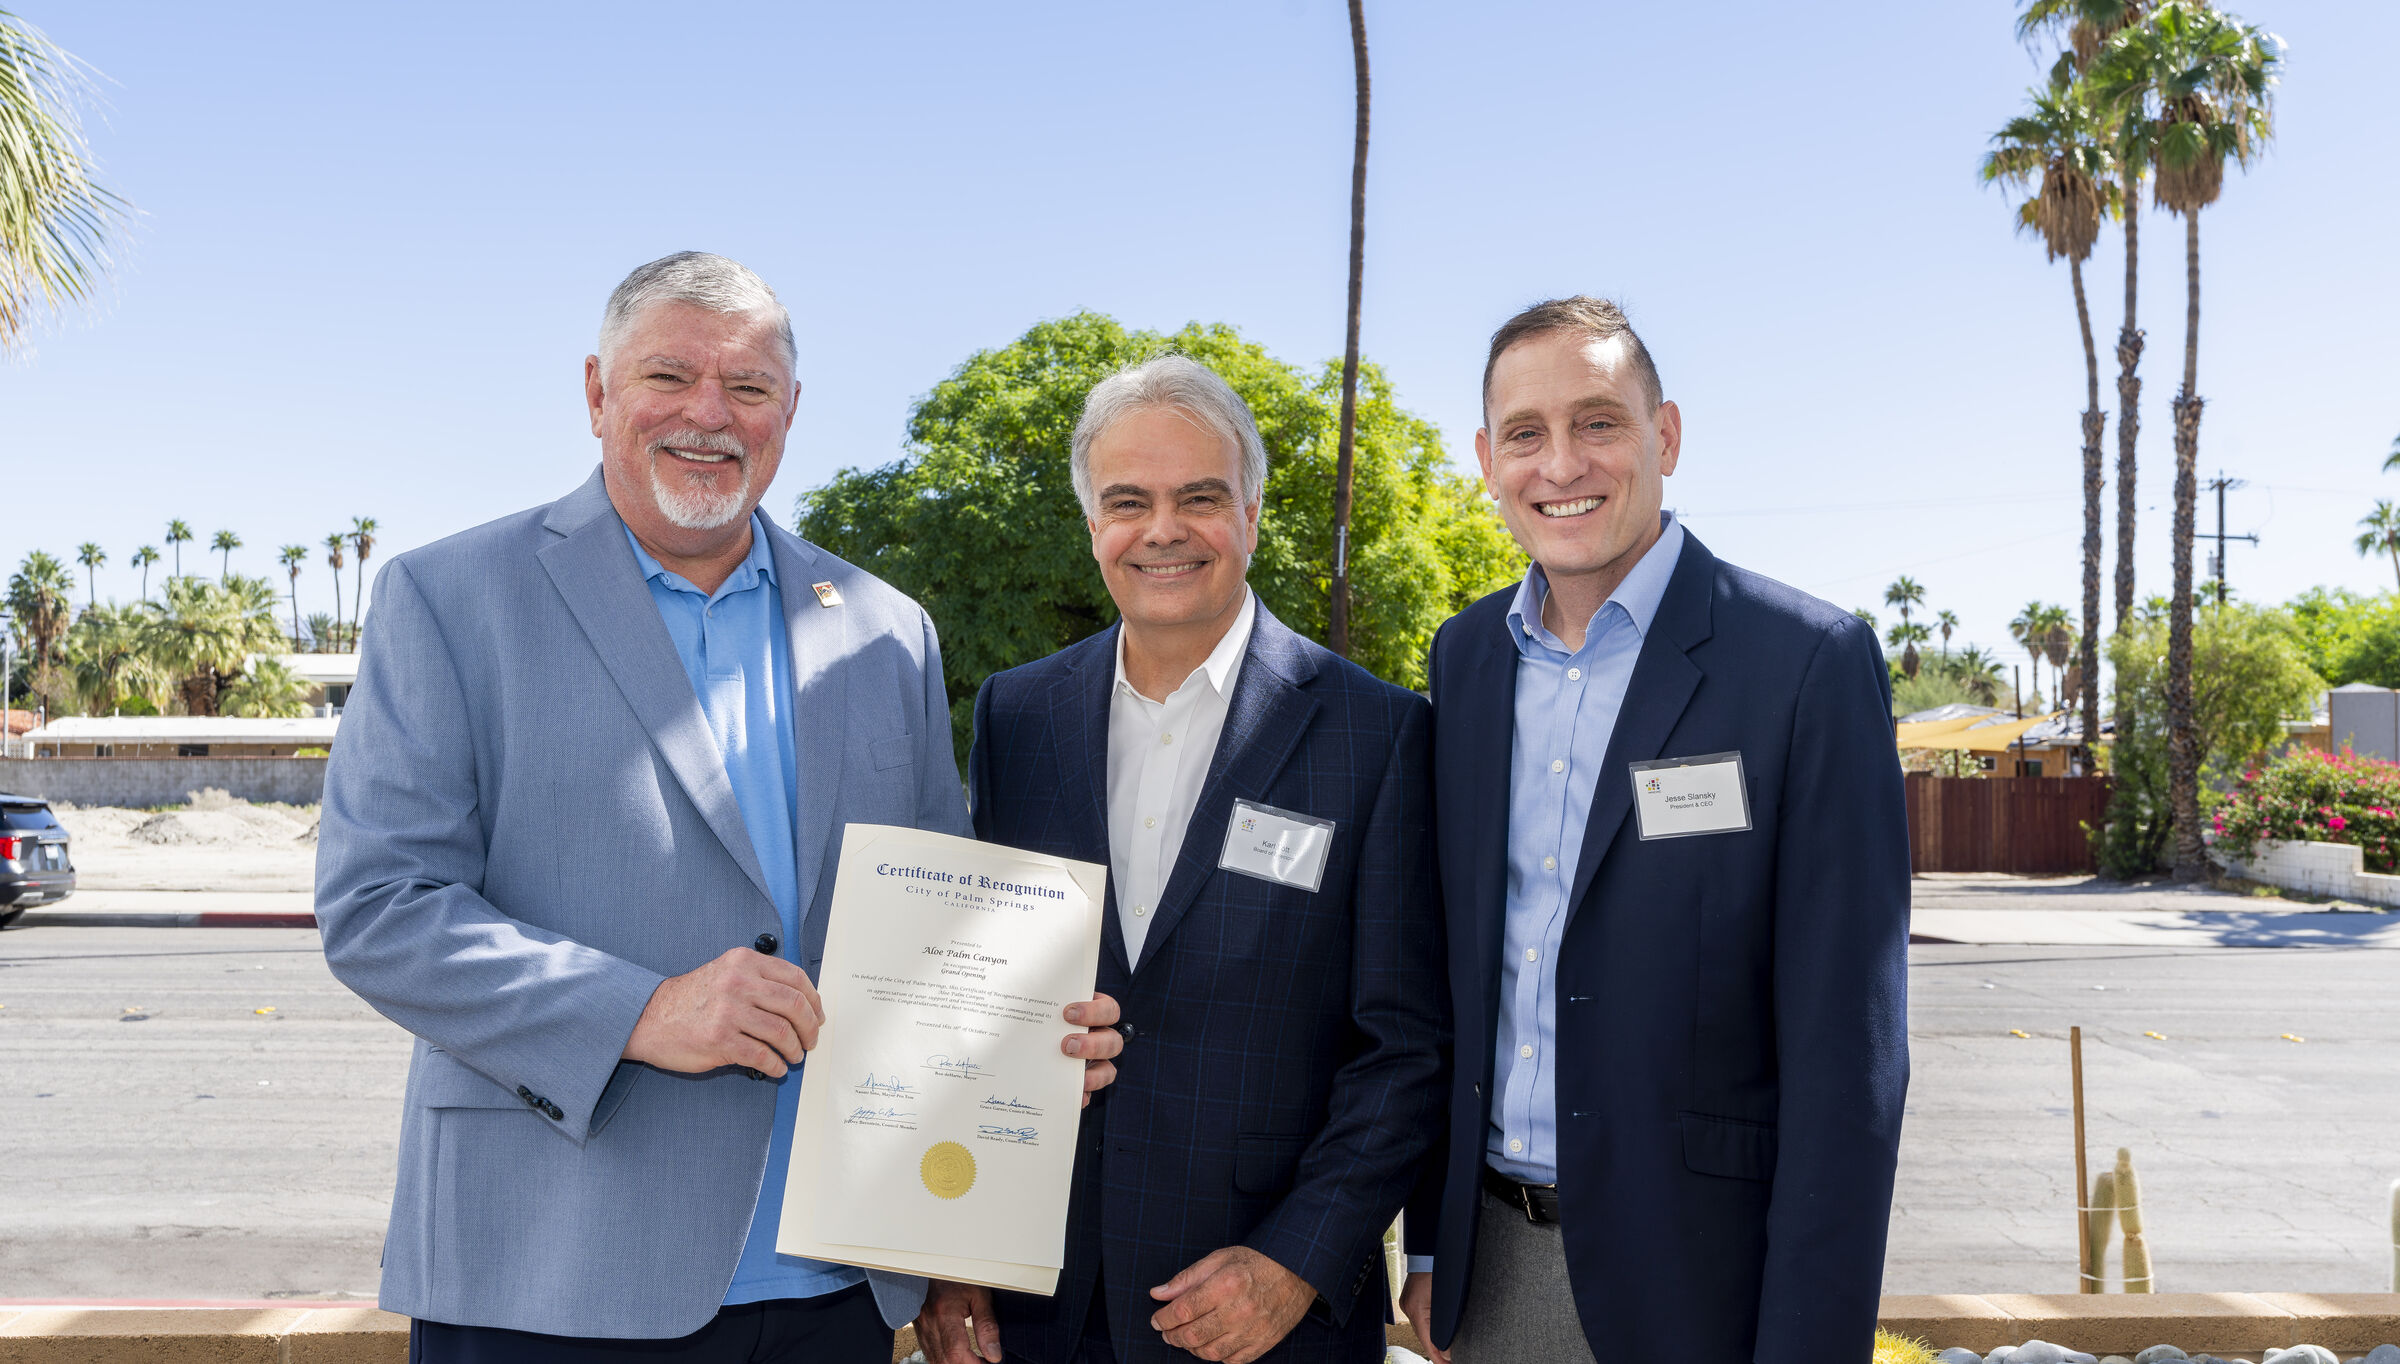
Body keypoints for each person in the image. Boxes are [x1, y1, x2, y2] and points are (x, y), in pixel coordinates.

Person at [316, 251, 1121, 1363]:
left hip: (837, 1277)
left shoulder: (888, 629)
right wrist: (641, 1010)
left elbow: (946, 929)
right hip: (550, 1271)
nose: (709, 414)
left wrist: (1028, 1030)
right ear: (597, 391)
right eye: (670, 376)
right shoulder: (450, 597)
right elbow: (380, 907)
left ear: (790, 411)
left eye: (747, 388)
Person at [1396, 297, 1910, 1363]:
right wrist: (1433, 1243)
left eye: (1598, 422)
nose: (1561, 463)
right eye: (1525, 434)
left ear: (1664, 437)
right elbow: (1449, 972)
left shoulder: (1806, 664)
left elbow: (1846, 1058)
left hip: (1706, 1284)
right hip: (1490, 1273)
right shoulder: (1466, 660)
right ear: (1488, 458)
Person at [913, 356, 1446, 1364]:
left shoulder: (1379, 733)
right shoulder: (1016, 715)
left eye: (1198, 497)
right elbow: (969, 1003)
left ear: (1250, 511)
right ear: (1092, 524)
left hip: (1264, 1309)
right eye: (1128, 501)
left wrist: (1297, 1259)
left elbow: (1407, 1045)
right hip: (1037, 1306)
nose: (1162, 530)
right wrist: (953, 1258)